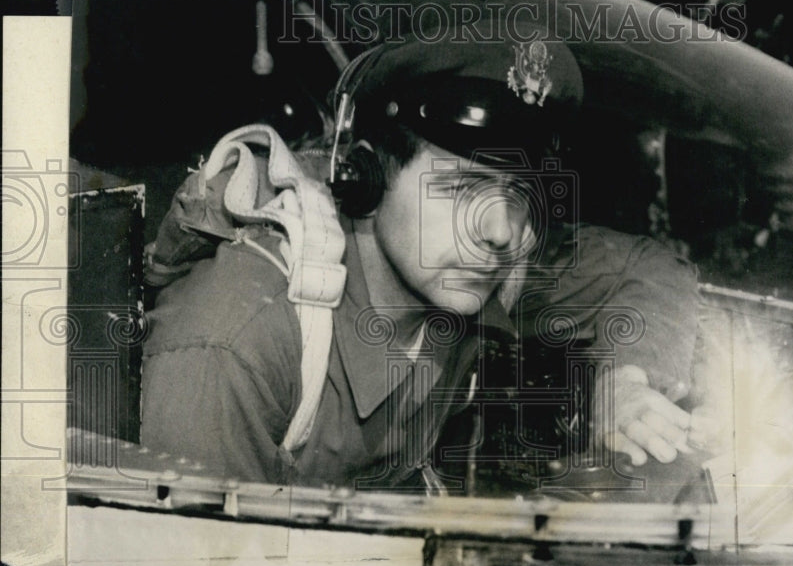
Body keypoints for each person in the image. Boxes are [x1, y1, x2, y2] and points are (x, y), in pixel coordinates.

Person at [139, 31, 704, 492]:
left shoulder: (467, 262)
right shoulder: (239, 340)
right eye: (460, 188)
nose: (500, 231)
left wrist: (624, 383)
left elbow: (654, 273)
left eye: (520, 192)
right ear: (363, 178)